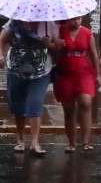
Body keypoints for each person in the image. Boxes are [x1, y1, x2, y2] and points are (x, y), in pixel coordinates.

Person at [0, 20, 62, 156]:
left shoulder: (49, 24)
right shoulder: (14, 22)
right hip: (15, 70)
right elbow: (2, 39)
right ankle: (20, 139)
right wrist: (1, 55)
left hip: (41, 72)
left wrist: (49, 44)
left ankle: (35, 142)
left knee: (35, 102)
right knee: (17, 105)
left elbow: (58, 47)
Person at [54, 17, 100, 152]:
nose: (76, 22)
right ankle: (71, 142)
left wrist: (98, 74)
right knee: (68, 110)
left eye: (79, 19)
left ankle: (86, 141)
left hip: (84, 73)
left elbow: (93, 55)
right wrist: (55, 44)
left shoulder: (87, 32)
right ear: (68, 20)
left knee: (85, 103)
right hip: (65, 73)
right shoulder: (59, 31)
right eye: (73, 19)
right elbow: (53, 53)